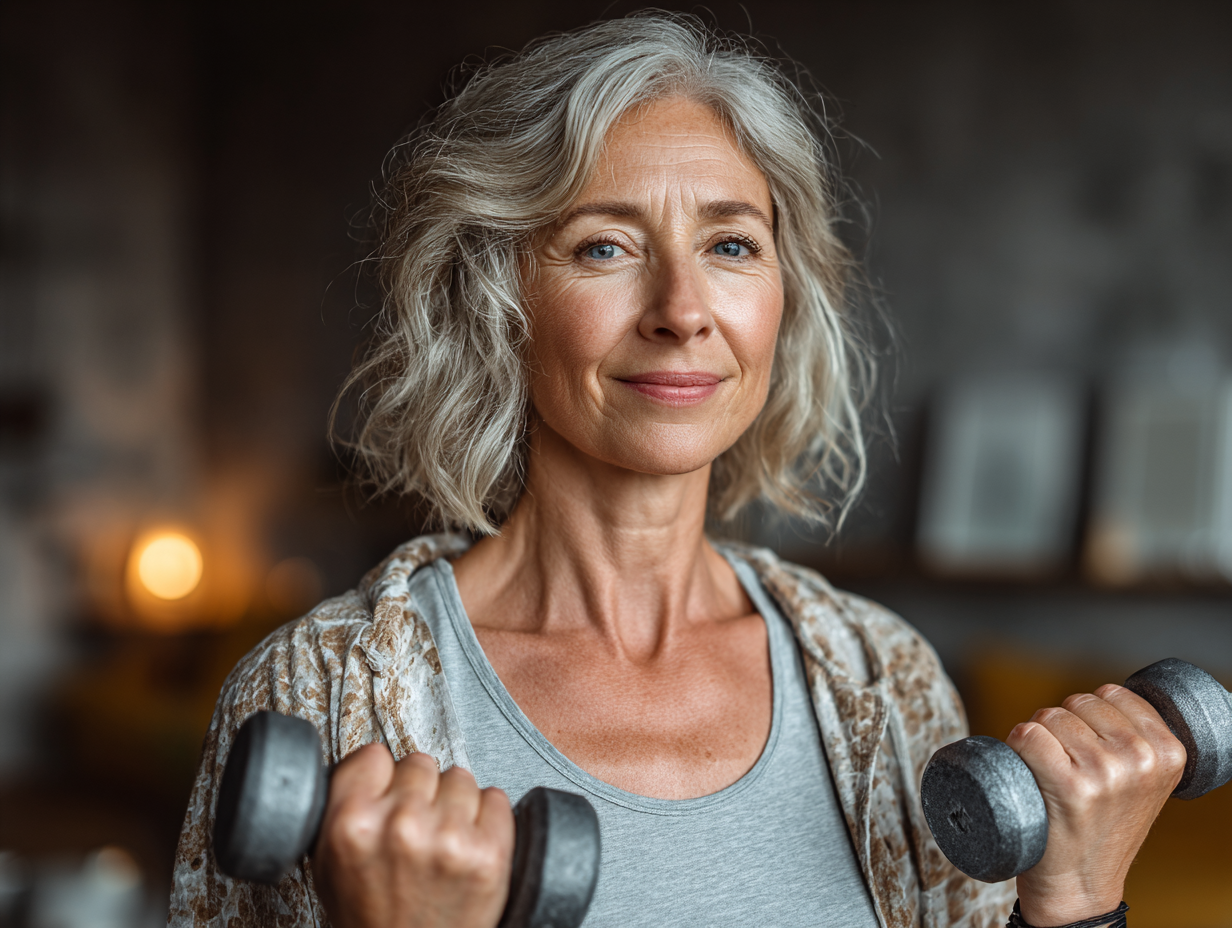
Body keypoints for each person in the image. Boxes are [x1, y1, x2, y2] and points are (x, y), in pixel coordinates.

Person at [169, 15, 1184, 928]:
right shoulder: (318, 691)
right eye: (605, 247)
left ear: (781, 301)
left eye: (730, 245)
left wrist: (1077, 905)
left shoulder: (884, 680)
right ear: (497, 301)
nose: (681, 308)